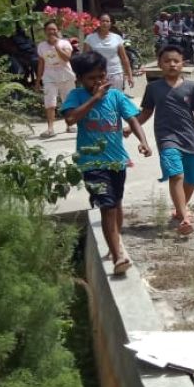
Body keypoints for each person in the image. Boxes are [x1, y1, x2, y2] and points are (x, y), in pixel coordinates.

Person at [61, 52, 152, 275]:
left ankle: (115, 244)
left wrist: (143, 141)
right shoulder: (76, 96)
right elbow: (71, 119)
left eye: (102, 76)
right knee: (107, 207)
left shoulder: (116, 96)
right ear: (80, 79)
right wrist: (94, 99)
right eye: (92, 78)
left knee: (117, 204)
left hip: (117, 161)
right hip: (91, 163)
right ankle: (118, 256)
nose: (99, 82)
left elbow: (132, 118)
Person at [133, 44, 194, 236]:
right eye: (167, 61)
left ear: (182, 64)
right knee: (176, 174)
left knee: (191, 178)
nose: (172, 64)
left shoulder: (191, 87)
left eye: (176, 61)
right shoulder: (153, 88)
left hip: (190, 139)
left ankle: (180, 208)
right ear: (159, 64)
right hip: (166, 138)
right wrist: (132, 127)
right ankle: (184, 216)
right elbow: (146, 112)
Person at [36, 20, 75, 138]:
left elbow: (67, 58)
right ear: (45, 31)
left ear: (57, 31)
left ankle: (70, 125)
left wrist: (56, 46)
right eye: (49, 29)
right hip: (49, 76)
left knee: (67, 101)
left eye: (54, 29)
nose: (51, 32)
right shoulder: (41, 46)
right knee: (50, 102)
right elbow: (41, 63)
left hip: (66, 75)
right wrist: (38, 80)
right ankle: (50, 128)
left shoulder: (65, 43)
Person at [83, 13, 135, 92]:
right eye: (102, 21)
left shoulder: (117, 38)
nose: (105, 23)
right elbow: (85, 59)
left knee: (116, 97)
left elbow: (124, 58)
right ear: (98, 22)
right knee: (100, 98)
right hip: (97, 75)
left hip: (115, 73)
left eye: (107, 21)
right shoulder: (90, 38)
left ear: (110, 23)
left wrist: (130, 76)